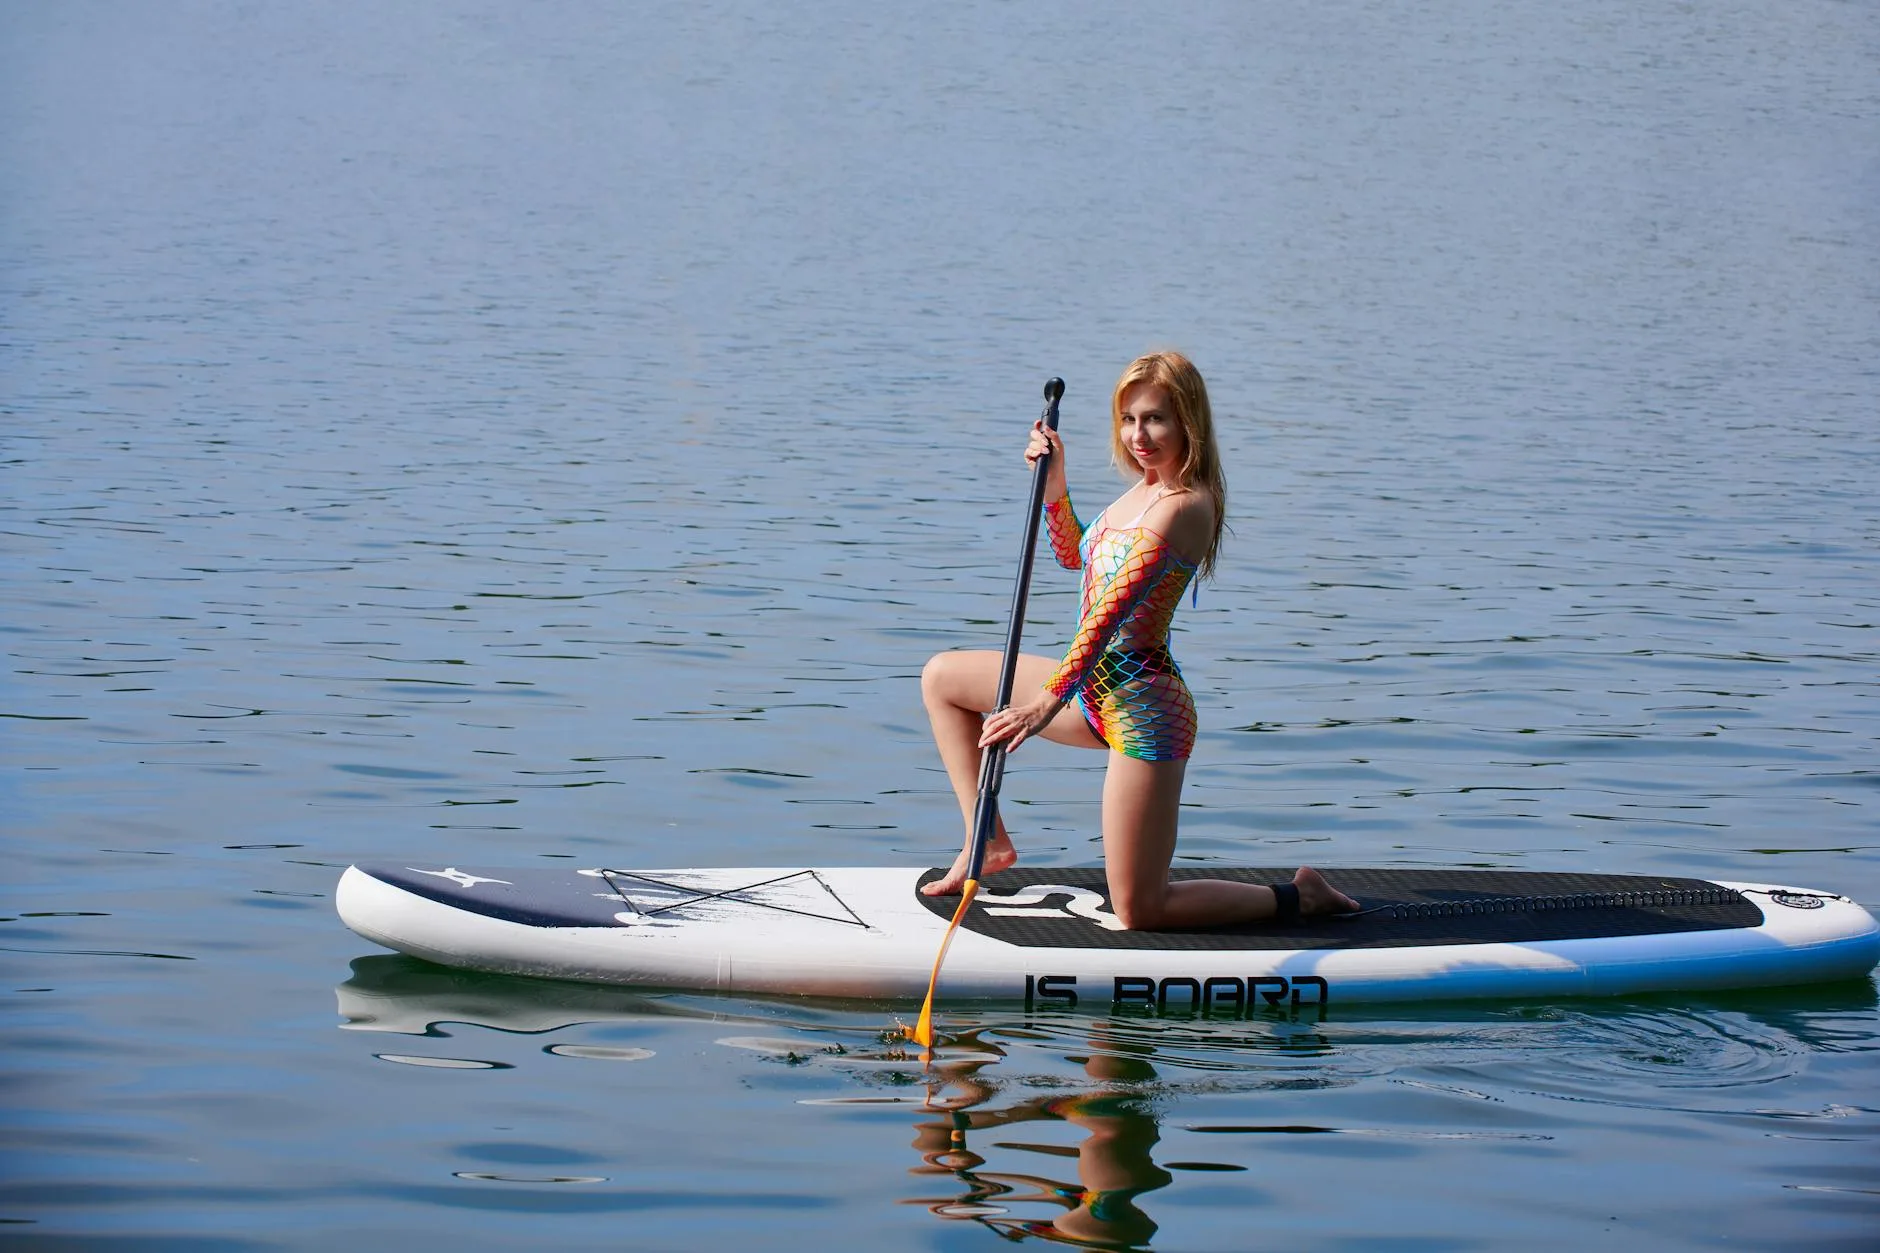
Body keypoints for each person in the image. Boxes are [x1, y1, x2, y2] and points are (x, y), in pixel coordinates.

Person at [919, 351, 1357, 928]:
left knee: (1139, 909)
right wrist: (1056, 487)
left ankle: (1300, 896)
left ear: (1187, 424)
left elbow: (1109, 614)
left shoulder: (1185, 505)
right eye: (1128, 419)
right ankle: (989, 841)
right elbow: (1077, 555)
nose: (1138, 435)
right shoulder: (1139, 493)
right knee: (943, 678)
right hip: (1089, 691)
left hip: (1145, 710)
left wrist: (1044, 704)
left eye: (1154, 419)